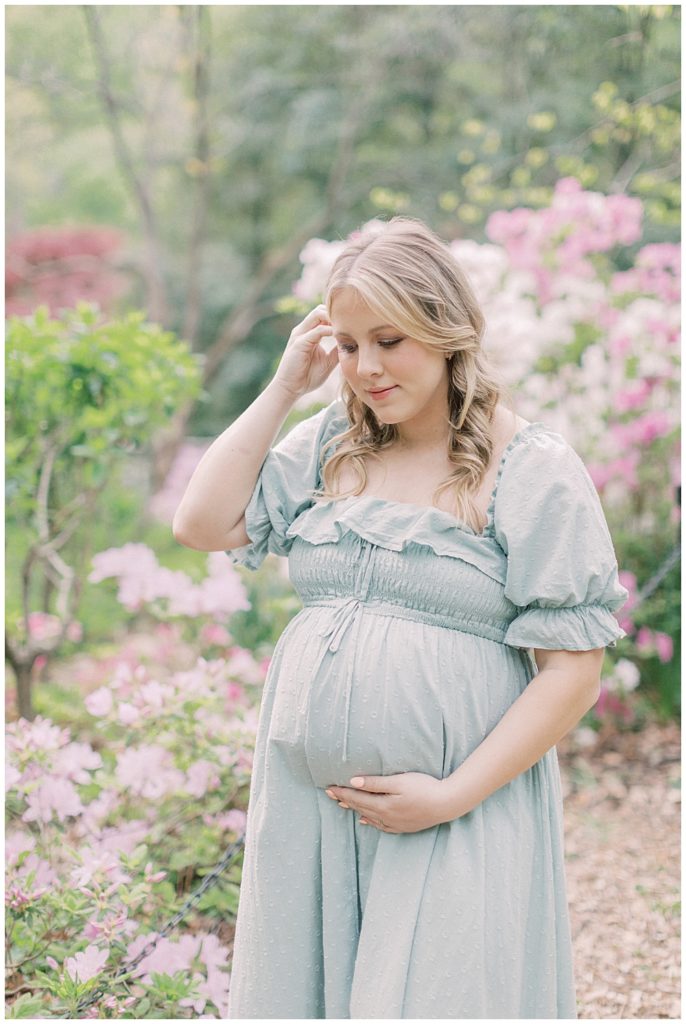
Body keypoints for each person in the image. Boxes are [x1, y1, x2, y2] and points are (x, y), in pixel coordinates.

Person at [172, 216, 629, 1019]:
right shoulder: (332, 445)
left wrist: (449, 796)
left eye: (390, 340)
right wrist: (286, 388)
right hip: (309, 818)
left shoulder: (531, 468)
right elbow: (202, 523)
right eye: (349, 346)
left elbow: (573, 673)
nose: (368, 367)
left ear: (446, 333)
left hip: (453, 812)